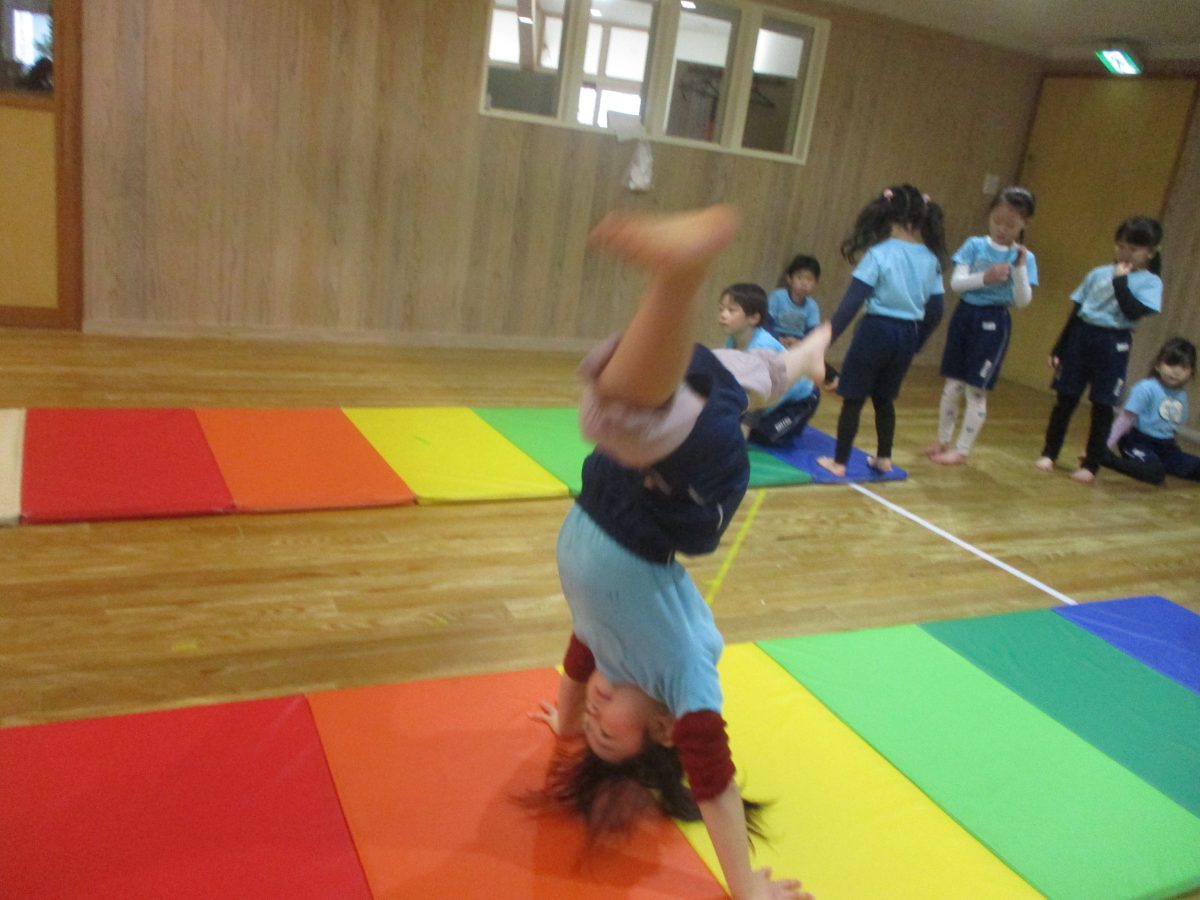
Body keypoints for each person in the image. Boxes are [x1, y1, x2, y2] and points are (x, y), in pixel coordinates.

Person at [527, 205, 827, 900]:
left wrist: (567, 723)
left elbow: (579, 653)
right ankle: (680, 273)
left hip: (617, 491)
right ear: (663, 730)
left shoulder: (609, 653)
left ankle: (805, 357)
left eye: (592, 722)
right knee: (621, 415)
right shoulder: (682, 669)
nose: (598, 713)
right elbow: (712, 777)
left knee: (730, 376)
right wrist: (746, 888)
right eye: (609, 733)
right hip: (688, 503)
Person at [815, 184, 946, 478]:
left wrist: (824, 341)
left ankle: (839, 463)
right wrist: (917, 342)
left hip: (876, 331)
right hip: (907, 333)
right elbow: (936, 311)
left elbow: (851, 304)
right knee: (884, 399)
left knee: (853, 398)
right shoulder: (931, 259)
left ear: (890, 215)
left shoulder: (879, 254)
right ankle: (884, 458)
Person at [1035, 216, 1164, 483]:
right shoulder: (1097, 273)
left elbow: (1132, 312)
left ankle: (1091, 465)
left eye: (1133, 249)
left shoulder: (1151, 282)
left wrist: (1120, 282)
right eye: (1121, 246)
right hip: (1082, 337)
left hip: (1114, 342)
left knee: (1103, 405)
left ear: (1150, 252)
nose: (1125, 253)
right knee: (1065, 399)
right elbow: (1076, 312)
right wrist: (1059, 348)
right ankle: (1049, 453)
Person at [929, 187, 1038, 465]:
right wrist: (985, 278)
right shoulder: (974, 245)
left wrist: (1019, 269)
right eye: (997, 221)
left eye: (1010, 224)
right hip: (965, 315)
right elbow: (956, 283)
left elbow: (1022, 301)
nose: (1002, 229)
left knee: (975, 389)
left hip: (994, 321)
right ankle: (942, 441)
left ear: (1024, 224)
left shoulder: (1025, 258)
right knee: (953, 384)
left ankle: (962, 450)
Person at [719, 282, 821, 445]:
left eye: (731, 310)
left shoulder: (762, 347)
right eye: (721, 309)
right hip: (772, 397)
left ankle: (795, 422)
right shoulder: (733, 339)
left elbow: (761, 391)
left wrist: (744, 430)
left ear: (754, 318)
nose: (723, 315)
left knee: (763, 436)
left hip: (800, 400)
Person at [1100, 337, 1199, 485]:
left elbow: (1172, 426)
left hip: (1166, 446)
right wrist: (1103, 447)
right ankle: (1107, 459)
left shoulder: (1181, 394)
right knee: (1154, 473)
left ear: (1191, 372)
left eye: (1183, 367)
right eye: (1170, 364)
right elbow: (1125, 420)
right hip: (1138, 441)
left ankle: (1158, 462)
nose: (1176, 371)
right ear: (1158, 365)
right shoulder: (1146, 388)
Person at [767, 255, 822, 346]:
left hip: (798, 342)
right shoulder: (777, 296)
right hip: (774, 338)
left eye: (809, 280)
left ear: (815, 283)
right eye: (799, 278)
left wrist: (799, 341)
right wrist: (776, 337)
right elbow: (766, 322)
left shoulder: (812, 306)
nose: (804, 283)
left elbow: (813, 331)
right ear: (789, 279)